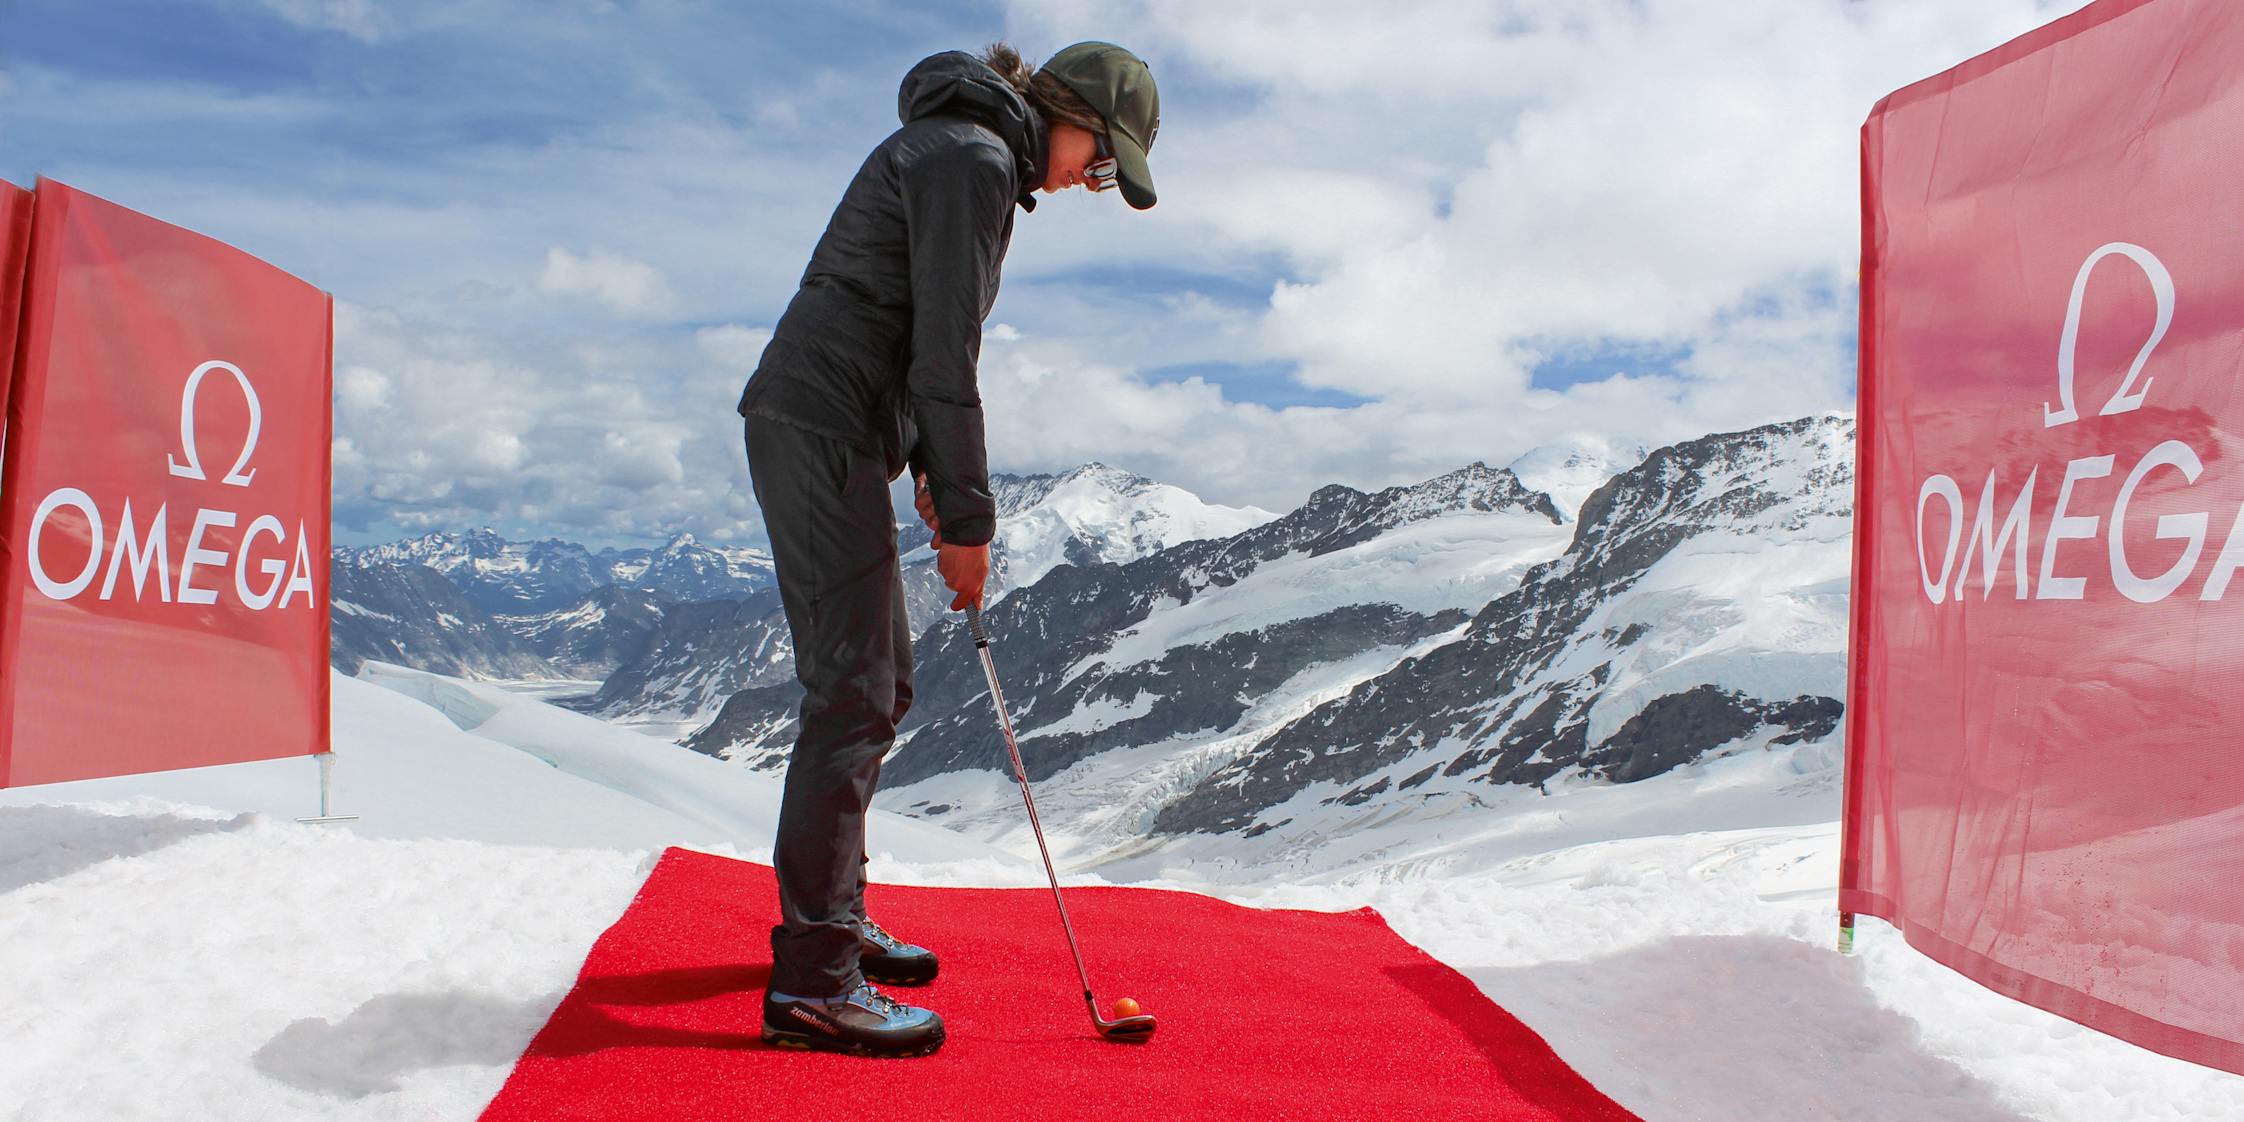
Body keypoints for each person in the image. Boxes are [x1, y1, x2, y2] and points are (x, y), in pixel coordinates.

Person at [733, 41, 1160, 1058]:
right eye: (1099, 159)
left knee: (875, 687)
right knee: (855, 692)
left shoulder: (962, 150)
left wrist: (928, 471)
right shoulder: (971, 161)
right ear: (1067, 115)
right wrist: (967, 524)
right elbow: (943, 354)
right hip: (821, 425)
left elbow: (918, 333)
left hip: (827, 422)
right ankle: (815, 983)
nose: (1087, 182)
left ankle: (832, 921)